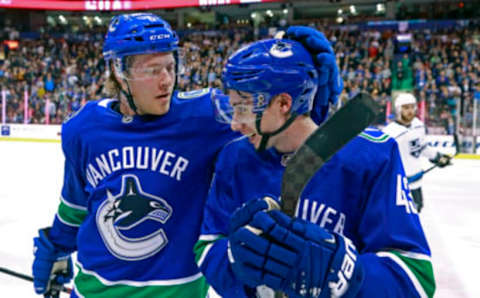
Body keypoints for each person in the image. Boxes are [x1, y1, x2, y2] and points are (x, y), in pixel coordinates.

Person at [31, 14, 341, 297]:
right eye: (153, 70)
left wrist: (302, 89)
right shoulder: (82, 128)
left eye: (170, 66)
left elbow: (275, 119)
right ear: (118, 70)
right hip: (92, 291)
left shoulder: (207, 115)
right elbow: (75, 205)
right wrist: (56, 245)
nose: (167, 80)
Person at [194, 37, 436, 297]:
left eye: (243, 107)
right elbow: (208, 246)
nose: (234, 124)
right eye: (232, 109)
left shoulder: (371, 156)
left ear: (284, 103)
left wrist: (349, 276)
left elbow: (416, 278)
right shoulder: (234, 157)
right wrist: (236, 259)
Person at [383, 93, 451, 212]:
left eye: (412, 107)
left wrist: (437, 157)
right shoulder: (390, 133)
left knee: (416, 213)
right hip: (398, 184)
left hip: (416, 182)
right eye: (406, 107)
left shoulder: (418, 125)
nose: (410, 111)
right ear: (399, 109)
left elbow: (422, 147)